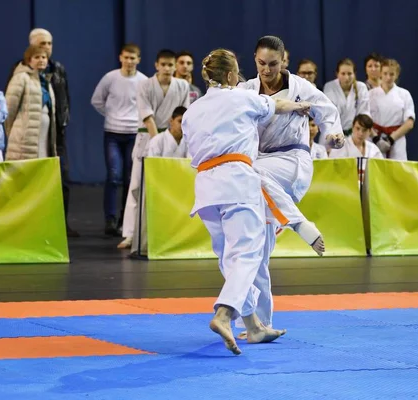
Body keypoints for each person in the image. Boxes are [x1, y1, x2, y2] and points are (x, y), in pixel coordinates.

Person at [182, 48, 307, 354]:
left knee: (229, 259)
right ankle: (224, 314)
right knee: (248, 255)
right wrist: (299, 105)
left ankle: (252, 327)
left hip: (205, 187)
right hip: (236, 178)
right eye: (236, 73)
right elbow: (275, 104)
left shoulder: (191, 111)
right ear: (229, 76)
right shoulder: (241, 97)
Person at [236, 36, 344, 337]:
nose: (267, 70)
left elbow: (328, 113)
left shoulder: (301, 87)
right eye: (261, 64)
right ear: (254, 59)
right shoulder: (246, 90)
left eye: (273, 64)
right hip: (264, 175)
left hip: (292, 162)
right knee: (255, 248)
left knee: (247, 172)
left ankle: (299, 223)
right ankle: (260, 325)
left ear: (285, 59)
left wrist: (334, 134)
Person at [5, 29, 77, 236]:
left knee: (53, 180)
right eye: (38, 52)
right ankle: (19, 225)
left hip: (50, 138)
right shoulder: (20, 76)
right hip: (26, 140)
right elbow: (8, 110)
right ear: (29, 57)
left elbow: (63, 101)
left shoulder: (53, 73)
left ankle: (53, 223)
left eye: (48, 47)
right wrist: (12, 135)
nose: (44, 53)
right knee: (24, 182)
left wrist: (64, 121)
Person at [120, 49, 190, 253]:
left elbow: (183, 115)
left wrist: (174, 136)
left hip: (175, 138)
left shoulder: (183, 86)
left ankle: (169, 230)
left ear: (175, 66)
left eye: (171, 65)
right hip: (149, 139)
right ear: (156, 65)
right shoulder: (144, 85)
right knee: (136, 187)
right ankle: (131, 234)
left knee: (172, 189)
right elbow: (147, 116)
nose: (167, 69)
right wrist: (158, 140)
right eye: (164, 65)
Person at [91, 44, 147, 237]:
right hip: (113, 133)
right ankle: (110, 219)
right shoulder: (110, 78)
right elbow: (97, 100)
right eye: (126, 57)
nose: (129, 61)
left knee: (130, 178)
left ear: (139, 60)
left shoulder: (143, 81)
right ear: (120, 57)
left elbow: (147, 105)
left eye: (133, 58)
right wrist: (111, 114)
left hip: (134, 134)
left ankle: (126, 219)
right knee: (114, 176)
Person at [5, 45, 57, 160]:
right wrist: (15, 134)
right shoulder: (21, 78)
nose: (41, 60)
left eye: (43, 57)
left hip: (44, 137)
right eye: (37, 57)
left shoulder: (47, 82)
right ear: (29, 60)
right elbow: (8, 110)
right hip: (23, 141)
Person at [369, 59, 415, 160]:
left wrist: (391, 139)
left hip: (397, 140)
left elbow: (409, 123)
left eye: (391, 74)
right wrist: (376, 138)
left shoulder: (404, 94)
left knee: (397, 172)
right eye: (385, 73)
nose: (388, 77)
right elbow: (365, 120)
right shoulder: (371, 94)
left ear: (397, 75)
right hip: (375, 139)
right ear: (380, 73)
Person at [323, 58, 370, 136]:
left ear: (354, 74)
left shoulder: (361, 87)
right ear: (337, 74)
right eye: (343, 73)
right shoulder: (329, 87)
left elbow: (364, 113)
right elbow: (328, 113)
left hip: (355, 134)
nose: (346, 77)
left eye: (349, 73)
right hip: (332, 134)